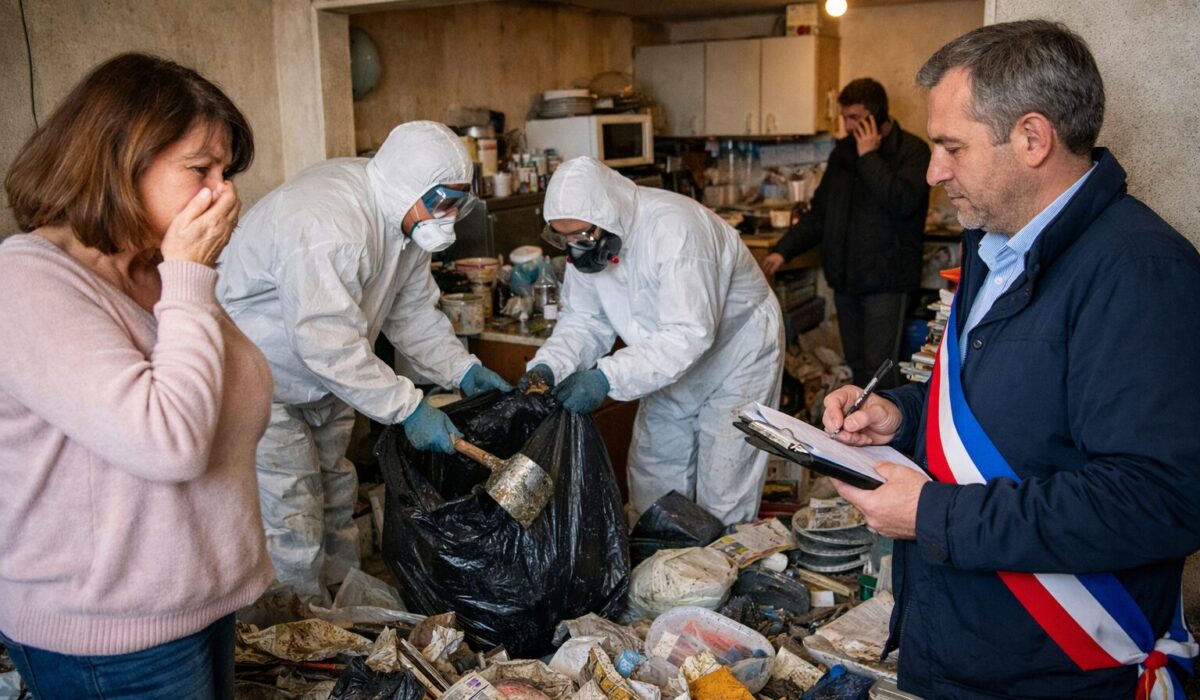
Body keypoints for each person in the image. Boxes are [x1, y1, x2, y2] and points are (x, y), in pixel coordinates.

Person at [824, 21, 1200, 698]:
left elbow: (1160, 500)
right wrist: (899, 415)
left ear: (1032, 138)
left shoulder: (1140, 272)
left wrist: (933, 515)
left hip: (1059, 669)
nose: (934, 171)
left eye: (951, 148)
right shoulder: (993, 242)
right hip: (967, 642)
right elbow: (1001, 406)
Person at [0, 53, 273, 698]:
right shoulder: (27, 282)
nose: (223, 195)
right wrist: (188, 275)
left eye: (226, 172)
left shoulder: (157, 270)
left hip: (197, 601)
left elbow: (234, 393)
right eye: (200, 170)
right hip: (112, 630)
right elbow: (170, 443)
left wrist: (181, 275)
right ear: (120, 161)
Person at [217, 120, 511, 604]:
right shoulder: (331, 226)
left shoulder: (402, 218)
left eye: (460, 202)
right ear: (412, 188)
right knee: (291, 511)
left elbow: (411, 310)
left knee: (335, 494)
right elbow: (325, 342)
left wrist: (461, 370)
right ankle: (297, 639)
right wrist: (407, 407)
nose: (451, 216)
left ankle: (342, 611)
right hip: (261, 378)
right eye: (445, 202)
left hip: (329, 379)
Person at [519, 157, 784, 525]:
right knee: (654, 480)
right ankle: (662, 576)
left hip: (736, 356)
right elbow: (583, 320)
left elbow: (688, 333)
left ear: (608, 218)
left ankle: (721, 576)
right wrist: (549, 365)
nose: (574, 247)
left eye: (581, 236)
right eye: (564, 238)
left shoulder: (676, 231)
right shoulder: (586, 246)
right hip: (661, 362)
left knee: (724, 486)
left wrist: (606, 378)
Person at [762, 78, 930, 390]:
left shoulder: (913, 151)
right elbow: (821, 214)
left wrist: (869, 158)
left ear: (876, 115)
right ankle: (859, 433)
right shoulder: (842, 154)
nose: (847, 125)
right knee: (857, 367)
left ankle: (890, 435)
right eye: (845, 117)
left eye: (855, 117)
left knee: (880, 372)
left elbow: (903, 203)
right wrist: (782, 250)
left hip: (886, 282)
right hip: (846, 280)